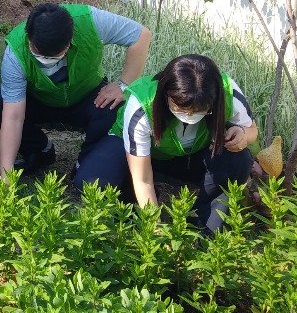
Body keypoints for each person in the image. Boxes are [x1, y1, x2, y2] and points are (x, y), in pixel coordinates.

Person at [76, 54, 258, 234]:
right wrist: (156, 228)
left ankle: (208, 225)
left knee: (239, 159)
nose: (190, 116)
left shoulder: (228, 92)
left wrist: (242, 135)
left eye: (201, 111)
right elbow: (142, 179)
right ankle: (134, 203)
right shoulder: (142, 105)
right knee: (94, 180)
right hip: (144, 156)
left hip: (192, 155)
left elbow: (252, 130)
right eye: (181, 109)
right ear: (166, 93)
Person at [0, 2, 151, 178]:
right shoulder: (15, 53)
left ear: (70, 41)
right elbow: (13, 117)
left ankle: (84, 164)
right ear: (29, 36)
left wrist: (123, 85)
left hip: (87, 96)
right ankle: (39, 150)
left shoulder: (92, 22)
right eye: (37, 52)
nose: (45, 60)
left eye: (54, 55)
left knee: (113, 108)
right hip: (39, 100)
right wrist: (6, 178)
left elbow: (141, 36)